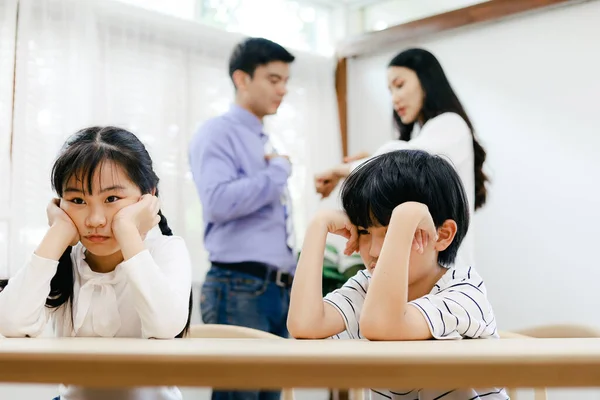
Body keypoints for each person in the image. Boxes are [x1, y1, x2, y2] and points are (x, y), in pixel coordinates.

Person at [288, 150, 507, 400]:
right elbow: (305, 325)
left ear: (443, 235)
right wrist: (319, 224)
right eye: (364, 231)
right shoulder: (367, 287)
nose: (373, 251)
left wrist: (406, 216)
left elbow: (384, 325)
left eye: (391, 232)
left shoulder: (465, 293)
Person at [0, 126, 193, 400]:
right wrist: (58, 234)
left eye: (112, 199)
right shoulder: (62, 257)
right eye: (77, 200)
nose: (94, 220)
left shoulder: (167, 250)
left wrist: (127, 230)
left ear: (147, 196)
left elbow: (165, 326)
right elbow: (10, 323)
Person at [189, 37, 295, 400]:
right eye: (273, 78)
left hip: (273, 290)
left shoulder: (263, 138)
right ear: (242, 78)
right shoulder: (218, 132)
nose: (283, 88)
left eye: (285, 80)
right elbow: (218, 202)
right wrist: (279, 172)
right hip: (239, 287)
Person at [315, 48, 489, 268]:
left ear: (427, 81)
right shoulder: (430, 135)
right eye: (390, 91)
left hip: (445, 272)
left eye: (400, 85)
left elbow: (406, 164)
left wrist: (343, 169)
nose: (395, 99)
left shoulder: (450, 124)